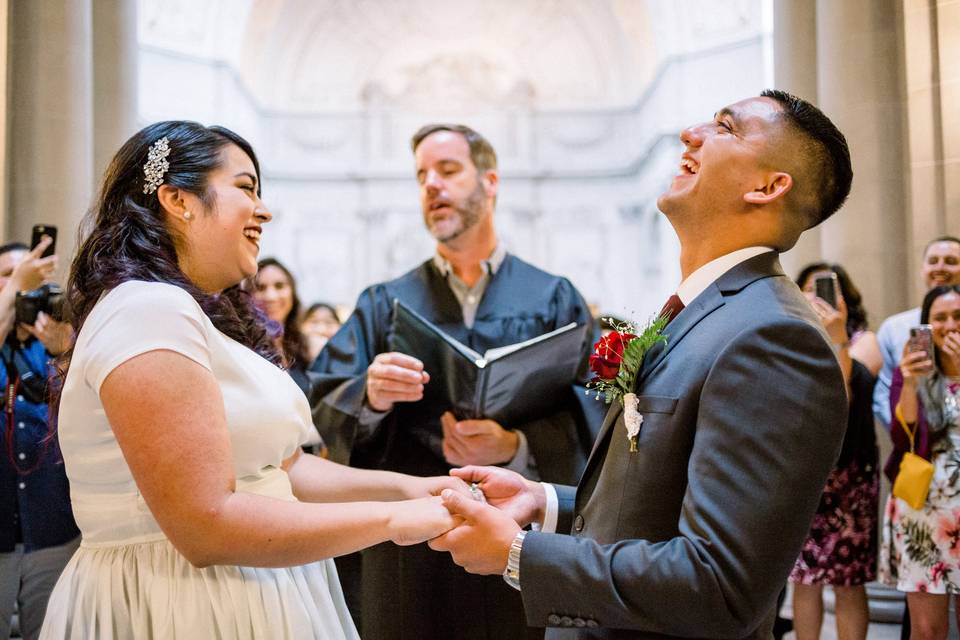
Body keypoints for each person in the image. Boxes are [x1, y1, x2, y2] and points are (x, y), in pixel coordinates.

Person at [429, 90, 853, 639]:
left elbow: (720, 586)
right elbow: (652, 502)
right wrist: (544, 504)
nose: (690, 133)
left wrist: (518, 554)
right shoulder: (706, 311)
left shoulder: (774, 337)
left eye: (725, 126)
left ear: (767, 187)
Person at [38, 121, 468, 640]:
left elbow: (285, 469)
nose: (263, 210)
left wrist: (413, 489)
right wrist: (393, 523)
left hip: (251, 589)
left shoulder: (192, 314)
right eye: (245, 187)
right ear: (179, 200)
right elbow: (206, 525)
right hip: (179, 603)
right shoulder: (145, 310)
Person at [310, 123, 596, 639]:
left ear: (490, 182)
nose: (431, 186)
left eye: (447, 170)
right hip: (413, 550)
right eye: (421, 175)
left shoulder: (553, 297)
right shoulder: (385, 303)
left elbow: (595, 414)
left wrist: (518, 445)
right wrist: (369, 397)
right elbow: (321, 400)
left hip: (515, 542)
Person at [789, 263, 880, 640]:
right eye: (811, 288)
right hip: (805, 471)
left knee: (848, 579)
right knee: (804, 578)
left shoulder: (865, 339)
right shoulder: (791, 338)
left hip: (851, 474)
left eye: (828, 288)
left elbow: (841, 393)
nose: (820, 296)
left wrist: (837, 334)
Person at [0, 239, 79, 640]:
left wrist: (67, 354)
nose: (19, 290)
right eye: (8, 278)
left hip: (52, 526)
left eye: (29, 283)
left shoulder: (53, 346)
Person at [880, 284, 960, 640]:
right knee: (927, 630)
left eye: (958, 317)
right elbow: (903, 437)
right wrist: (911, 384)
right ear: (925, 324)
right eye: (939, 318)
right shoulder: (911, 370)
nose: (949, 325)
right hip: (924, 511)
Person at [873, 237, 960, 427]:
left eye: (951, 261)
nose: (940, 267)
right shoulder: (894, 327)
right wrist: (916, 436)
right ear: (922, 270)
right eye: (933, 261)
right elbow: (883, 392)